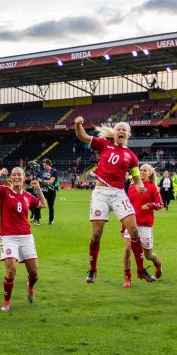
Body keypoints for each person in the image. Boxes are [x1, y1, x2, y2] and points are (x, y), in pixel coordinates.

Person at [73, 117, 156, 284]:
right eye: (119, 129)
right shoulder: (105, 144)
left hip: (118, 193)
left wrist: (139, 185)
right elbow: (82, 136)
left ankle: (140, 270)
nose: (121, 131)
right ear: (115, 132)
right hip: (100, 193)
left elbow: (136, 177)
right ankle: (92, 269)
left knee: (134, 231)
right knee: (96, 234)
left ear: (128, 134)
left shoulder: (132, 157)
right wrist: (77, 124)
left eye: (124, 130)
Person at [0, 167, 46, 312]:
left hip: (26, 237)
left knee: (34, 273)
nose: (16, 177)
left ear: (24, 177)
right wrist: (1, 172)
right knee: (11, 269)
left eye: (19, 174)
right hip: (8, 237)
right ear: (11, 178)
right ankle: (7, 301)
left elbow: (43, 205)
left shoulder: (27, 196)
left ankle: (30, 286)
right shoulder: (4, 192)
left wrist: (38, 188)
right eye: (14, 175)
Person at [121, 164, 163, 288]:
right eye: (141, 170)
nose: (142, 172)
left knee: (148, 255)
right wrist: (123, 225)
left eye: (145, 170)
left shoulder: (153, 188)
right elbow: (127, 207)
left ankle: (158, 263)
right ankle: (128, 278)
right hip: (131, 224)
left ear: (150, 173)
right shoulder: (132, 187)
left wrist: (150, 204)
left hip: (145, 225)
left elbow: (160, 204)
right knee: (127, 249)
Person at [39, 159, 59, 225]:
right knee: (39, 203)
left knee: (51, 206)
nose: (44, 167)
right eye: (43, 165)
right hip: (44, 190)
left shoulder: (54, 171)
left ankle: (51, 220)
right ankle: (36, 219)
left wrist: (41, 180)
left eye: (45, 165)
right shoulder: (43, 171)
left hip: (51, 191)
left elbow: (51, 181)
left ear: (49, 164)